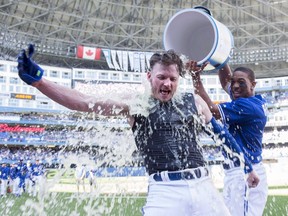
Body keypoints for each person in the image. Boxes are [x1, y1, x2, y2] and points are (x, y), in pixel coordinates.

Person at [17, 44, 254, 215]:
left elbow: (222, 136)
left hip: (204, 187)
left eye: (172, 78)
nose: (167, 83)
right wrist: (40, 82)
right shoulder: (136, 104)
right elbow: (83, 101)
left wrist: (248, 168)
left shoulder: (194, 101)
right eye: (161, 77)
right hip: (165, 191)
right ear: (149, 76)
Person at [187, 61, 268, 216]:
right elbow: (226, 81)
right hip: (241, 172)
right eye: (234, 82)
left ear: (253, 84)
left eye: (241, 82)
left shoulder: (246, 106)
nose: (235, 86)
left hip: (244, 173)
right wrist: (221, 58)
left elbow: (210, 109)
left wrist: (195, 76)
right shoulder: (254, 99)